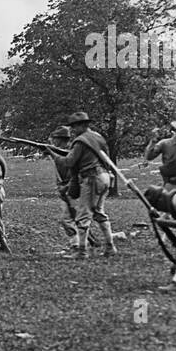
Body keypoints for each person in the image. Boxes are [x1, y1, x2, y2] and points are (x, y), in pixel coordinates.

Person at [54, 111, 118, 259]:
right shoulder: (98, 137)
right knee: (99, 213)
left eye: (75, 126)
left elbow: (69, 162)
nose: (73, 130)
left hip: (91, 178)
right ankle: (110, 247)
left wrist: (53, 155)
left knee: (83, 215)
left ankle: (81, 251)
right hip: (104, 177)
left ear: (82, 125)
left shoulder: (80, 141)